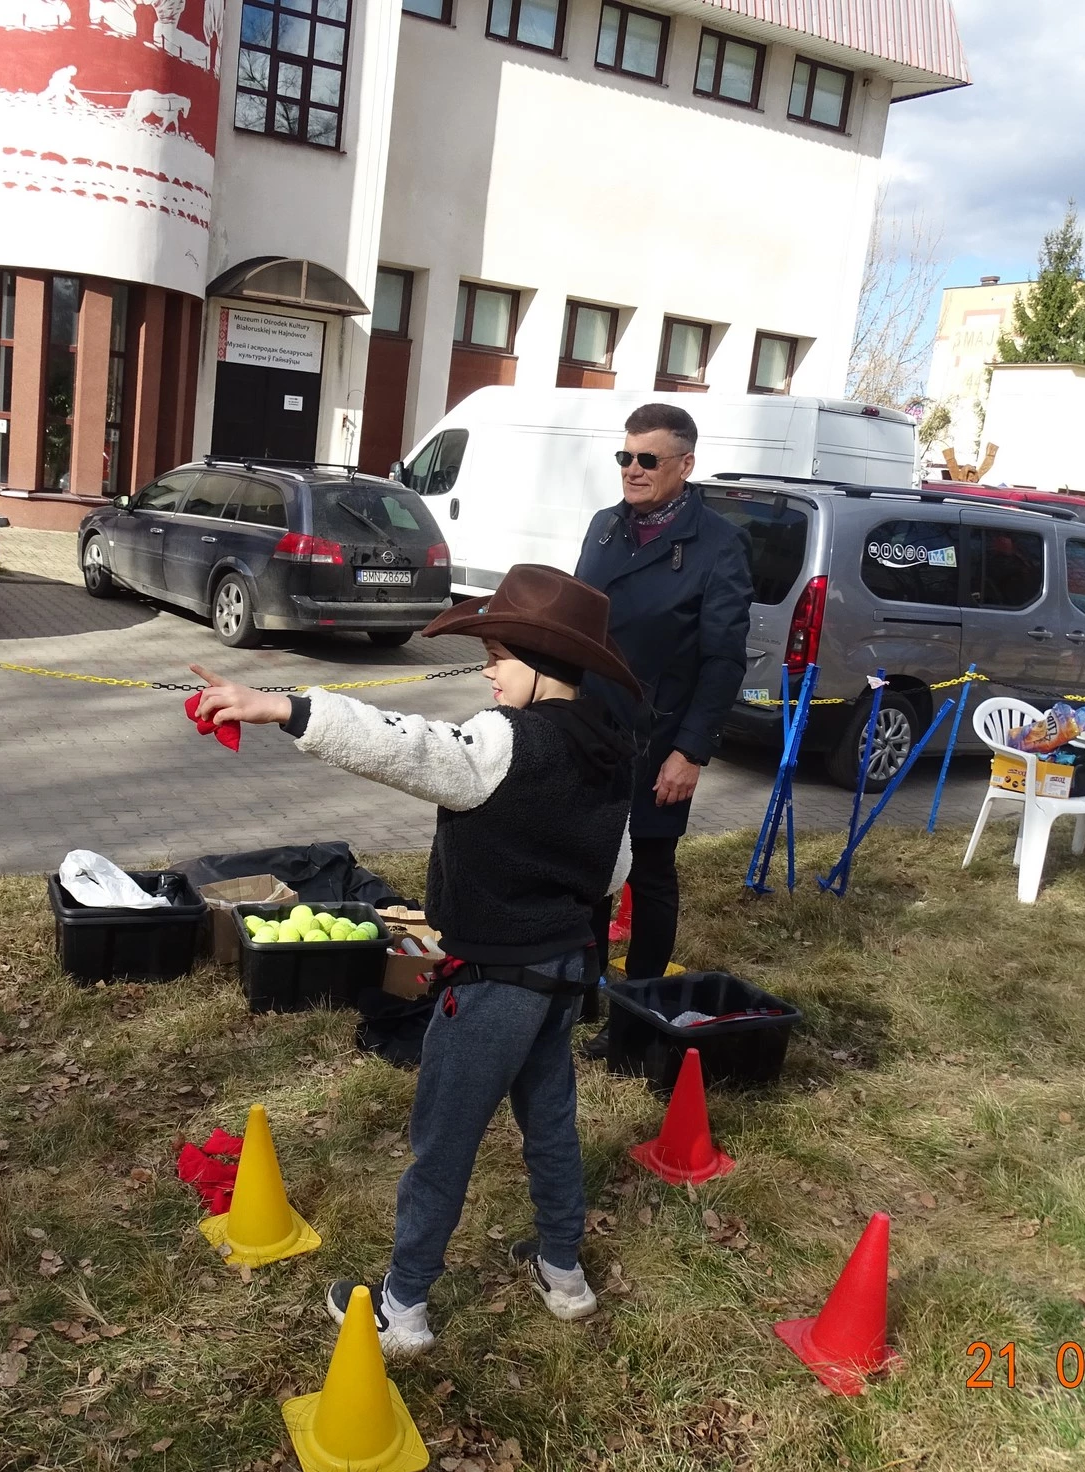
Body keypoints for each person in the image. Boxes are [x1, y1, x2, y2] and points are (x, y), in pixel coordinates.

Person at [188, 564, 638, 1356]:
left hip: (496, 984)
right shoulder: (607, 744)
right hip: (565, 972)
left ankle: (404, 1306)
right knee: (551, 1123)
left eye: (499, 657)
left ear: (543, 663)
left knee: (443, 1141)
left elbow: (406, 747)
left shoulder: (505, 740)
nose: (489, 672)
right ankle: (564, 1271)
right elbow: (615, 870)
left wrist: (284, 707)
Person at [575, 402, 752, 992]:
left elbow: (724, 660)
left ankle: (643, 995)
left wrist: (691, 751)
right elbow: (578, 620)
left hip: (658, 740)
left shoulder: (719, 544)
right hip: (590, 728)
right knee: (589, 863)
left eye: (648, 459)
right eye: (625, 457)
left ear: (685, 464)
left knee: (648, 870)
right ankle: (583, 987)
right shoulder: (604, 526)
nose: (633, 469)